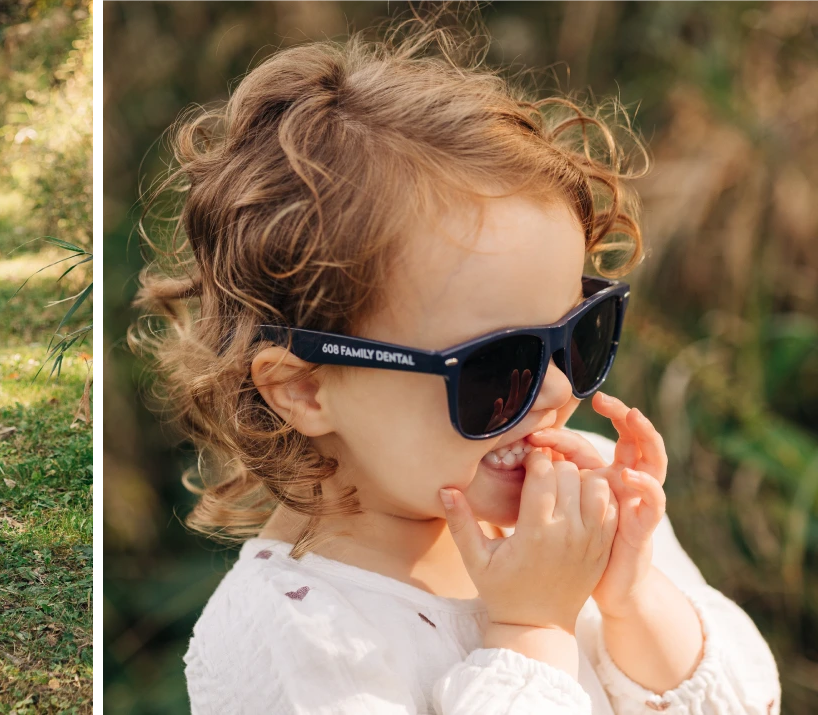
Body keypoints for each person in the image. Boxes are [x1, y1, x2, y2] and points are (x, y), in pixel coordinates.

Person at [135, 26, 780, 713]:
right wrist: (530, 628)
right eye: (497, 367)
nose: (561, 389)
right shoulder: (289, 638)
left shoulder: (574, 499)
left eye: (577, 335)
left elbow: (746, 702)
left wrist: (632, 592)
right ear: (304, 386)